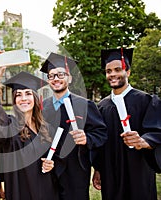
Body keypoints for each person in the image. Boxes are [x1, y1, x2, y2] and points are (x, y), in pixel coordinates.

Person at [0, 52, 59, 200]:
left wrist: (52, 164)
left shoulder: (47, 128)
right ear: (14, 100)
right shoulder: (10, 126)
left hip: (47, 191)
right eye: (18, 95)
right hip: (21, 192)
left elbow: (57, 161)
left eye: (28, 94)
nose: (23, 98)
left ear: (35, 98)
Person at [92, 48, 161, 200]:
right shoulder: (101, 106)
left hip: (138, 169)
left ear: (128, 72)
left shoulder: (146, 101)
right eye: (108, 71)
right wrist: (98, 169)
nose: (112, 74)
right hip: (111, 172)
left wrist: (144, 141)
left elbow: (158, 131)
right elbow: (99, 142)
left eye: (118, 69)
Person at [39, 52, 107, 200]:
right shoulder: (42, 107)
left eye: (60, 75)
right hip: (48, 169)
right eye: (51, 76)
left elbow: (101, 134)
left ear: (69, 78)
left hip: (76, 170)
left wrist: (86, 138)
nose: (56, 79)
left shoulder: (85, 105)